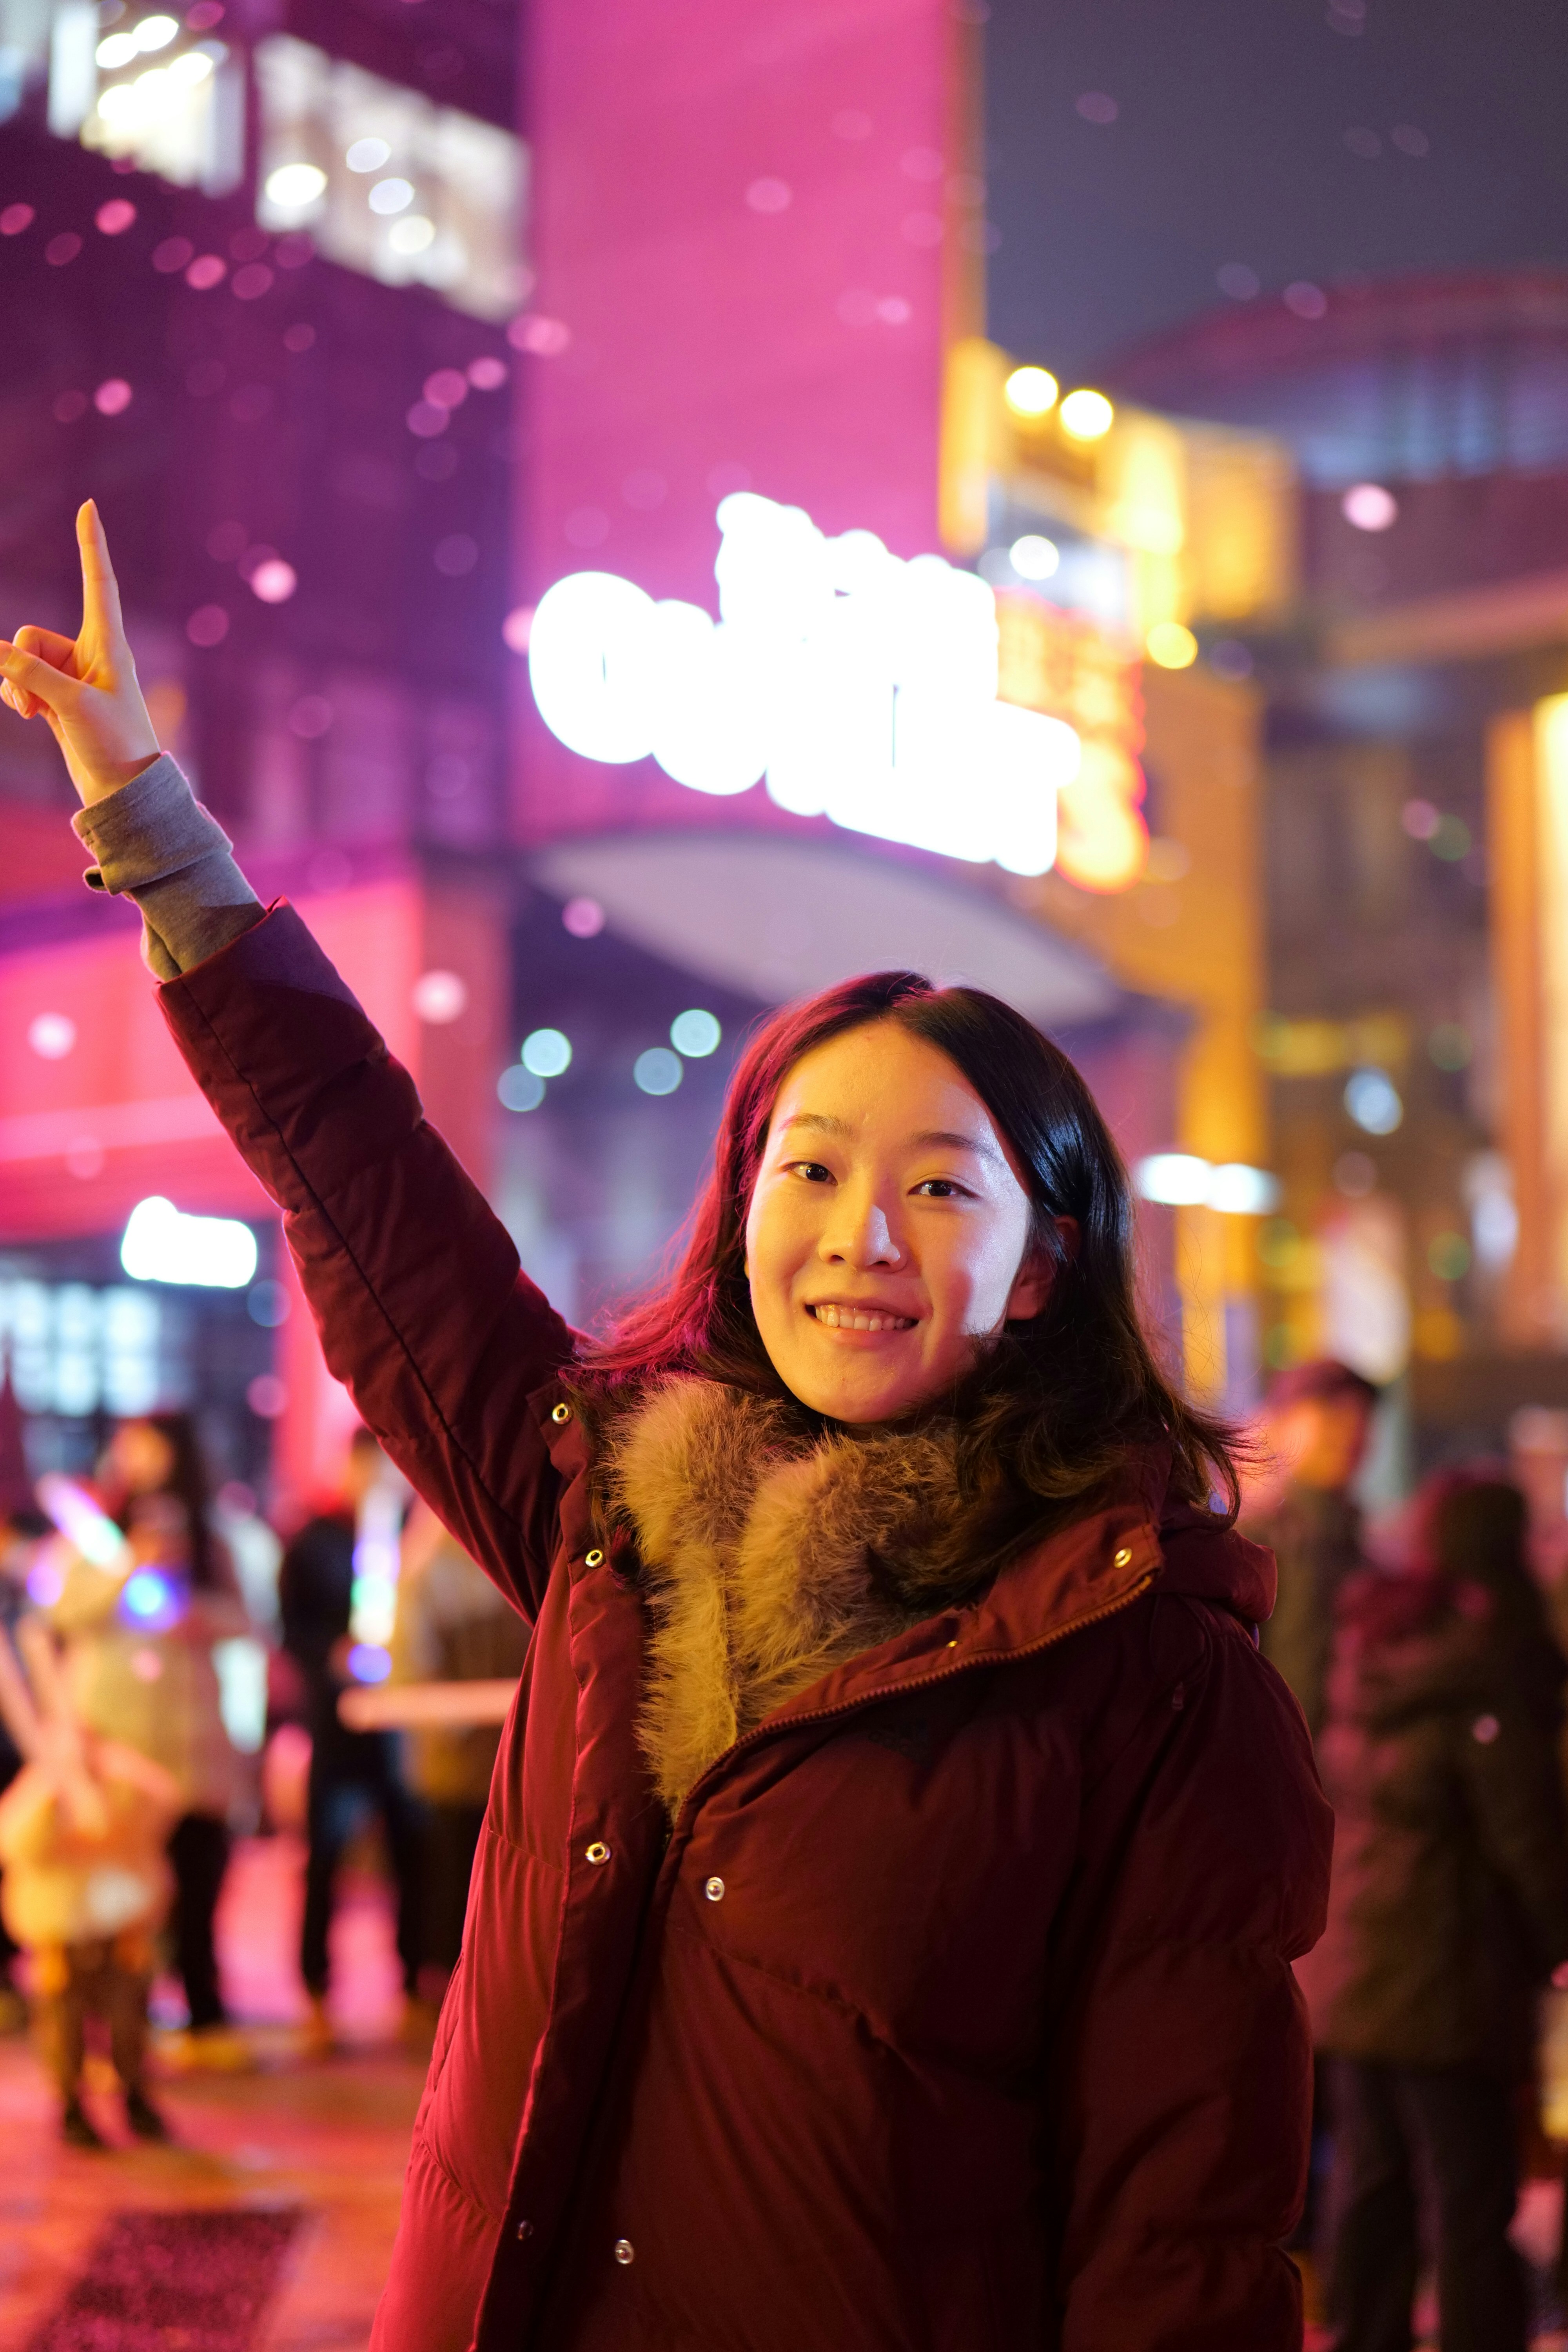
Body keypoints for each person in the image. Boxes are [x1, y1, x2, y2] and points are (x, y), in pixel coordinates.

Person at [0, 505, 1332, 2348]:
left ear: (1042, 1265)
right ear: (743, 1206)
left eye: (941, 1187)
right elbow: (375, 1193)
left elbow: (1177, 2248)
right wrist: (154, 827)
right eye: (812, 1167)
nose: (861, 1237)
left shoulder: (1149, 1677)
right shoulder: (608, 1512)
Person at [1302, 1470, 1568, 2352]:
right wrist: (1557, 1938)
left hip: (1354, 1959)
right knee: (1469, 2188)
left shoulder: (1375, 1646)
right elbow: (1522, 1831)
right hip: (1445, 1968)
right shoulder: (1490, 1665)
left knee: (1372, 2178)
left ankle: (1363, 2336)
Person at [50, 1412, 249, 2049]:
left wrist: (195, 1612)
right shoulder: (95, 1538)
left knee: (198, 1881)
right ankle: (118, 2024)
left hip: (194, 1746)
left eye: (148, 1446)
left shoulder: (210, 1539)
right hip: (118, 1744)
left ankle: (203, 2012)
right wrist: (128, 1567)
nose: (134, 1459)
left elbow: (246, 1620)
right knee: (120, 1891)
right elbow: (63, 1611)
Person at [0, 1611, 178, 2147]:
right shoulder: (41, 1790)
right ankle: (71, 2105)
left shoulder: (123, 1781)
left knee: (129, 2019)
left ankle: (135, 2094)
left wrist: (111, 1785)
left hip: (121, 1930)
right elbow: (17, 1843)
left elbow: (158, 1808)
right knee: (64, 2024)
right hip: (62, 1935)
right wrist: (55, 1799)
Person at [278, 1428, 425, 2045]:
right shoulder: (316, 1540)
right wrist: (331, 1655)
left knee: (412, 1854)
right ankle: (316, 1995)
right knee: (326, 1858)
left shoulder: (416, 1535)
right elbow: (292, 1628)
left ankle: (416, 1987)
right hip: (337, 1724)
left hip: (401, 1724)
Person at [391, 1501, 530, 1991]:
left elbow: (409, 1659)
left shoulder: (426, 1565)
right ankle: (453, 1983)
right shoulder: (452, 1562)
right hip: (479, 1760)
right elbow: (411, 1662)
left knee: (462, 1872)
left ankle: (452, 1983)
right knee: (460, 1872)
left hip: (476, 1757)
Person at [1249, 1359, 1379, 1742]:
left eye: (1361, 1419)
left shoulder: (1361, 1543)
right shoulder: (1256, 1541)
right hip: (1281, 1757)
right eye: (1332, 1415)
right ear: (1282, 1425)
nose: (1350, 1432)